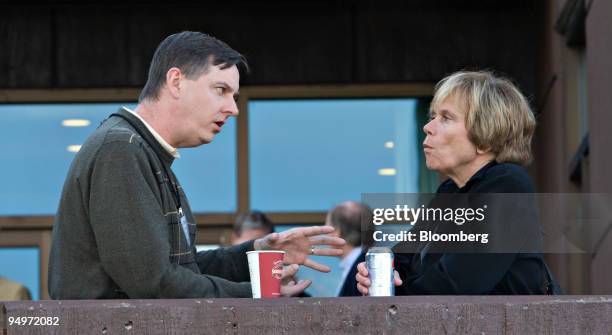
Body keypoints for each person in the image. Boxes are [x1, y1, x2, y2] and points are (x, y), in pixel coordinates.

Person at [48, 31, 344, 299]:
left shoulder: (143, 152)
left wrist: (255, 253)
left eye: (235, 96)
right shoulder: (121, 150)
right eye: (220, 90)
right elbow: (153, 283)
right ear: (176, 81)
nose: (234, 109)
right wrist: (258, 295)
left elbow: (178, 270)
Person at [356, 70, 556, 295]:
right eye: (432, 117)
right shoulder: (449, 193)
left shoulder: (508, 184)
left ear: (486, 135)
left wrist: (398, 290)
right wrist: (376, 273)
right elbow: (401, 258)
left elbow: (457, 283)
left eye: (446, 118)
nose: (428, 127)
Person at [324, 201, 373, 297]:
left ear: (336, 232)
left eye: (327, 226)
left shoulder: (364, 270)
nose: (324, 233)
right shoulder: (361, 263)